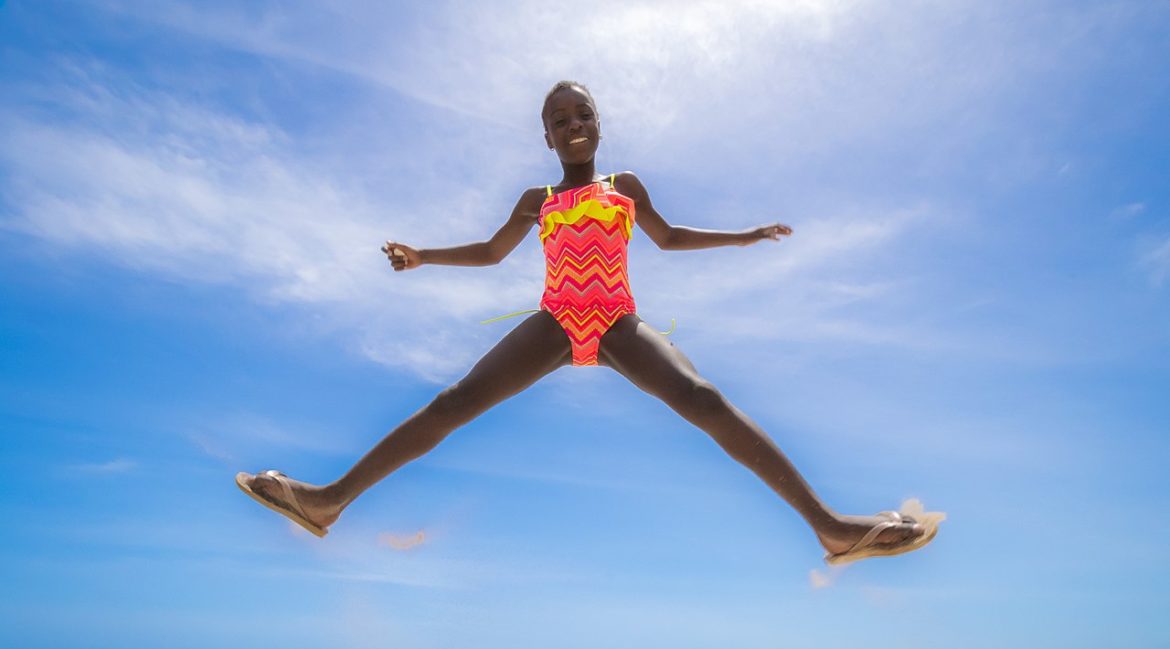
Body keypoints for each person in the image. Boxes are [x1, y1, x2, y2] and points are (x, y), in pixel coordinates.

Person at [236, 80, 941, 565]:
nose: (574, 126)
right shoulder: (536, 199)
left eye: (584, 116)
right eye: (561, 121)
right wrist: (424, 256)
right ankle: (327, 502)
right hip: (553, 320)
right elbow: (489, 252)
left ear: (598, 126)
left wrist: (743, 236)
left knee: (704, 400)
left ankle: (830, 527)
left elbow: (669, 238)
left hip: (615, 321)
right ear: (547, 137)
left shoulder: (623, 189)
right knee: (453, 403)